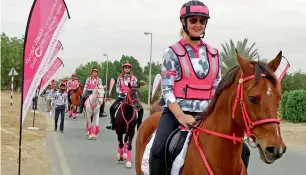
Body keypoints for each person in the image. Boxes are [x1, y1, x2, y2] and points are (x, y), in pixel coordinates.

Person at [148, 1, 250, 174]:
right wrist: (180, 115)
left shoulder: (214, 54)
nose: (198, 25)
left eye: (202, 21)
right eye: (193, 20)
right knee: (158, 151)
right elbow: (167, 90)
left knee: (244, 150)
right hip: (176, 114)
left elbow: (217, 89)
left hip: (206, 115)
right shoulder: (171, 52)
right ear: (184, 22)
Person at [106, 61, 143, 130]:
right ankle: (113, 123)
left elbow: (135, 88)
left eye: (128, 68)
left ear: (130, 69)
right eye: (125, 67)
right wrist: (121, 93)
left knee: (140, 109)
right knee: (112, 108)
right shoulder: (120, 78)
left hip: (131, 97)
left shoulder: (134, 78)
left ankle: (139, 125)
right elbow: (117, 88)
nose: (127, 69)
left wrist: (132, 94)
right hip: (122, 96)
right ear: (123, 69)